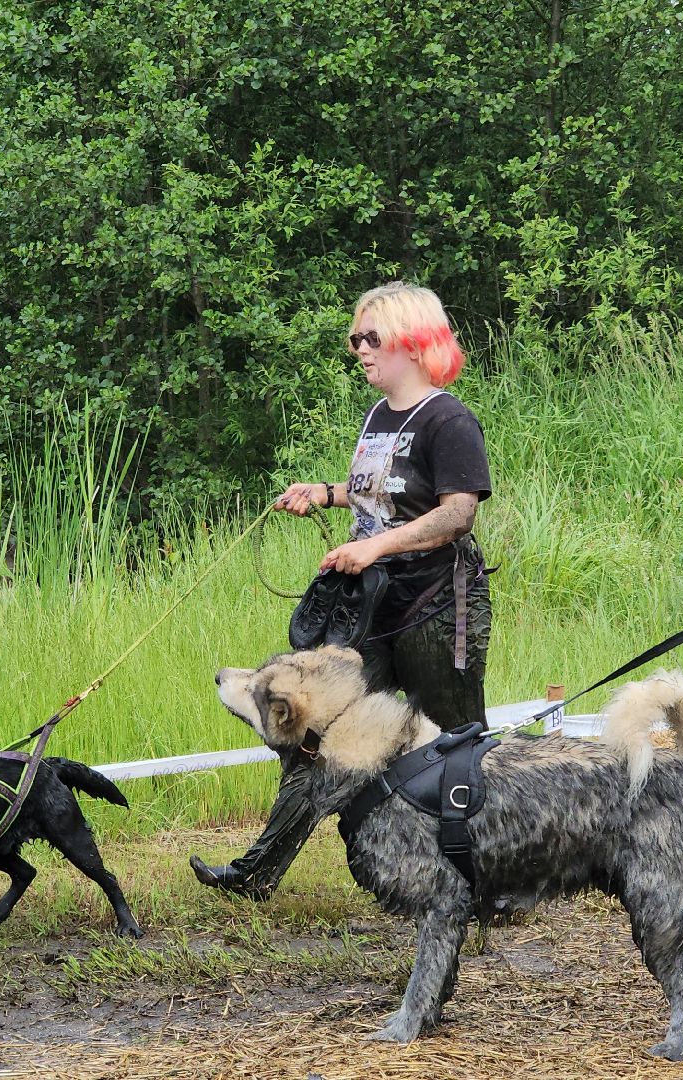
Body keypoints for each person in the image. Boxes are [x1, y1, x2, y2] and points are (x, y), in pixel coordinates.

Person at [190, 281, 493, 899]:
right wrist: (323, 494)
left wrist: (374, 546)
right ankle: (258, 873)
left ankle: (487, 880)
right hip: (371, 607)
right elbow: (381, 495)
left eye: (370, 337)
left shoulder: (450, 419)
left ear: (412, 340)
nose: (358, 348)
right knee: (317, 730)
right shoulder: (379, 416)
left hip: (439, 608)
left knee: (460, 743)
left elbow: (456, 514)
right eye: (354, 338)